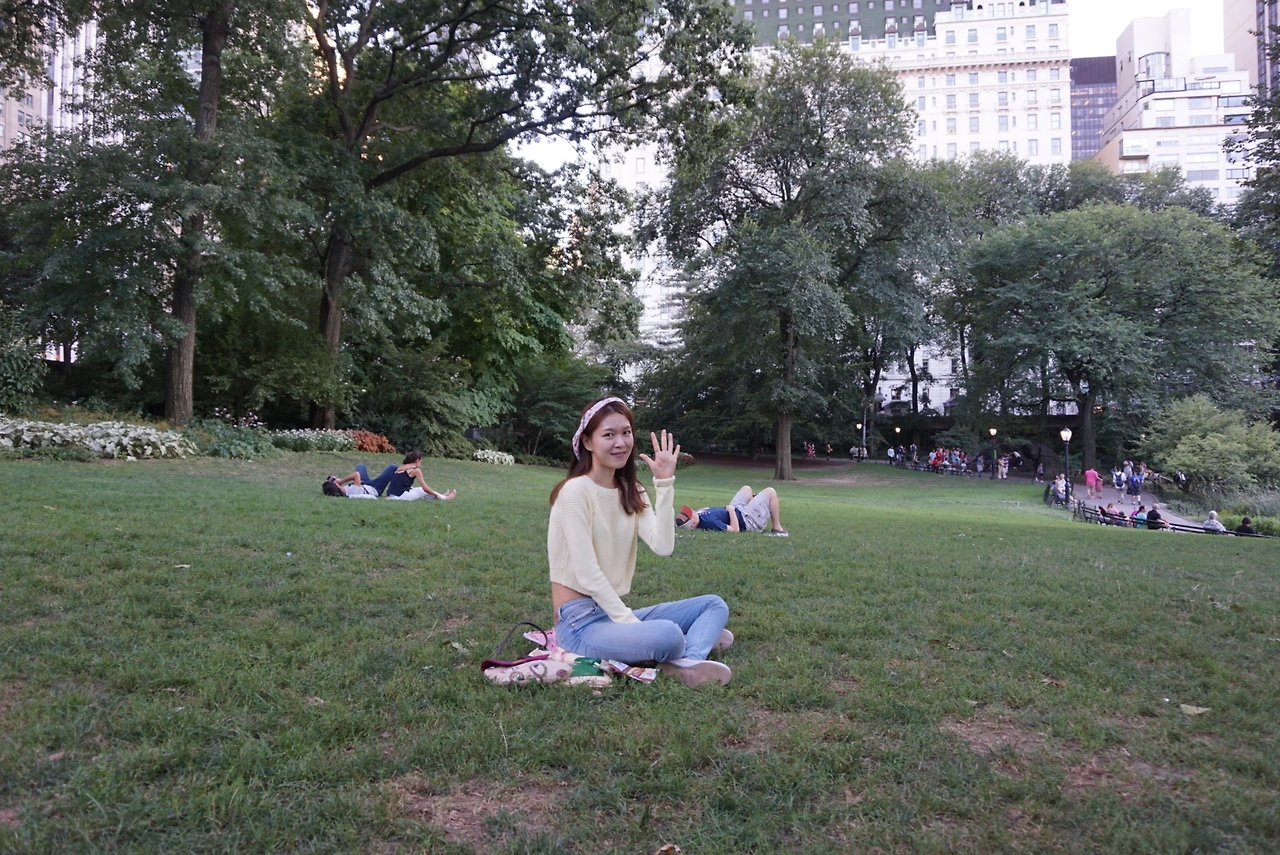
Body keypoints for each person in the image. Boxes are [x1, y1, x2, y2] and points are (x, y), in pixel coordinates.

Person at [548, 396, 732, 687]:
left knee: (714, 605)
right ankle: (690, 645)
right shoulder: (574, 492)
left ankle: (687, 658)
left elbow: (663, 546)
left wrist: (665, 484)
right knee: (668, 634)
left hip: (610, 614)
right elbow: (587, 573)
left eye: (626, 432)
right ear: (587, 442)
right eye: (609, 435)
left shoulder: (631, 490)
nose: (620, 442)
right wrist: (632, 625)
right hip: (578, 624)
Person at [676, 486, 788, 535]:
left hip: (737, 509)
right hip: (747, 520)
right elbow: (735, 530)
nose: (692, 510)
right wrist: (731, 510)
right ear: (693, 524)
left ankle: (759, 502)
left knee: (746, 489)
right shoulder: (710, 523)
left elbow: (702, 511)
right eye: (691, 513)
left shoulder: (699, 516)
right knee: (771, 491)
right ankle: (777, 528)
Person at [385, 451, 457, 501]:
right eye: (421, 461)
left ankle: (441, 496)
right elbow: (425, 488)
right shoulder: (416, 470)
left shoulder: (401, 467)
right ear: (417, 460)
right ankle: (445, 498)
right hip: (400, 496)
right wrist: (435, 494)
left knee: (415, 489)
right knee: (422, 490)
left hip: (392, 494)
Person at [323, 462, 400, 498]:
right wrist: (341, 481)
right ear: (337, 485)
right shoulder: (352, 492)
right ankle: (392, 491)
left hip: (364, 484)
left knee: (361, 466)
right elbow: (356, 474)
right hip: (375, 488)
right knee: (392, 467)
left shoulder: (343, 490)